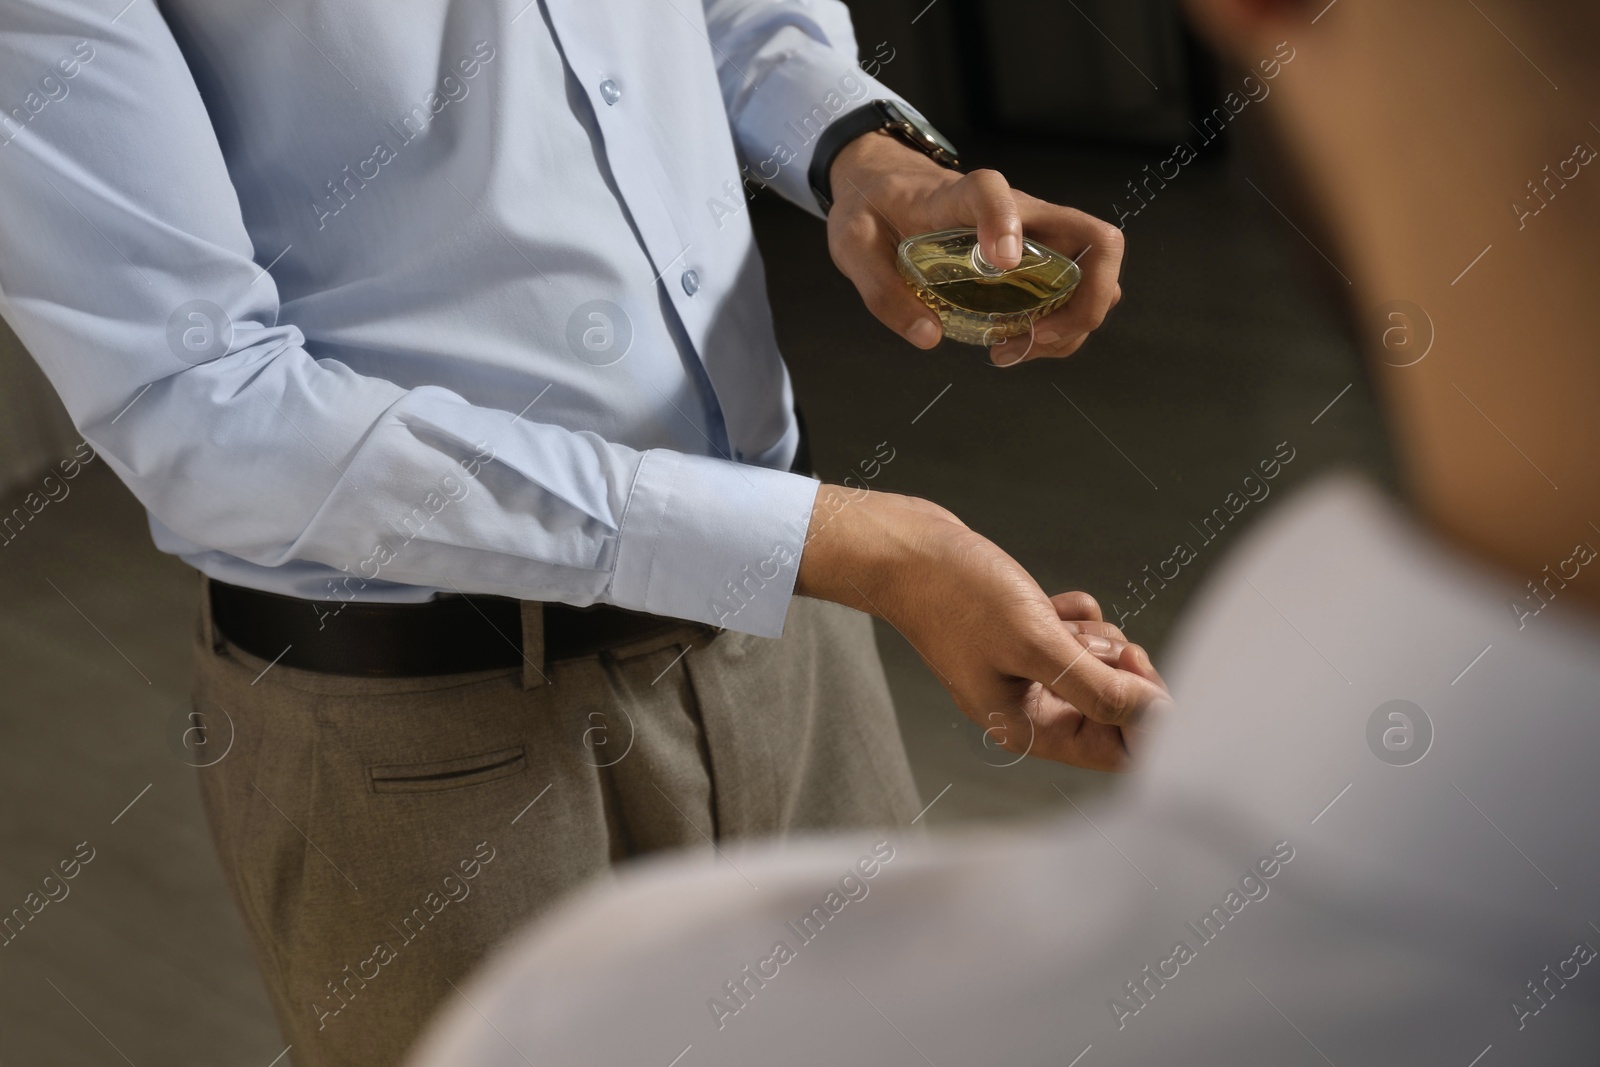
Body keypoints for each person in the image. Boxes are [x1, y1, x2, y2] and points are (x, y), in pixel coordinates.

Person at [403, 0, 1600, 1063]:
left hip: (805, 599)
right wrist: (860, 159)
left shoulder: (592, 1019)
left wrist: (877, 549)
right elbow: (212, 411)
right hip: (434, 693)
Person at [0, 1, 1169, 1063]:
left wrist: (859, 151)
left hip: (801, 642)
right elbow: (204, 413)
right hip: (426, 754)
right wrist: (867, 550)